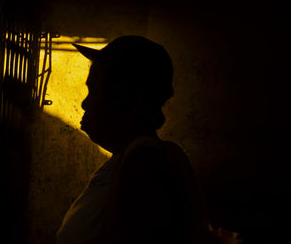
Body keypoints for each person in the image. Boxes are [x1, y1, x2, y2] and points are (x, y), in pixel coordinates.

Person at [56, 36, 220, 244]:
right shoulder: (140, 158)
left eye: (94, 91)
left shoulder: (144, 164)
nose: (84, 103)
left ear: (129, 99)